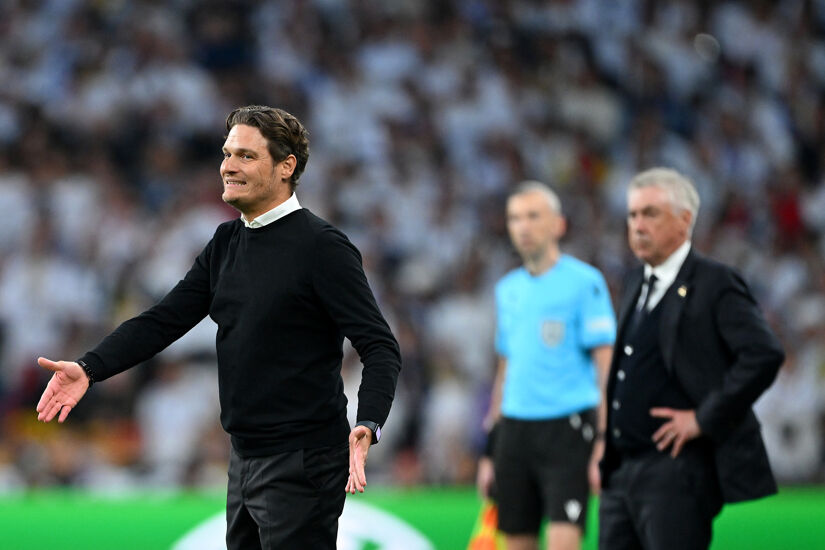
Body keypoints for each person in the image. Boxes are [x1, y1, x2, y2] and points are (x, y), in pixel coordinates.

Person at [35, 105, 401, 550]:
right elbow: (164, 319)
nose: (228, 165)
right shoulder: (226, 242)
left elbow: (379, 345)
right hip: (243, 458)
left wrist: (369, 422)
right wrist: (90, 368)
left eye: (246, 156)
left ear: (287, 167)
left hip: (304, 461)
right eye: (227, 154)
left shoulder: (322, 247)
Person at [598, 167, 784, 550]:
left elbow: (764, 354)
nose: (637, 225)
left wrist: (704, 417)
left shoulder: (715, 282)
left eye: (650, 214)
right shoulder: (635, 281)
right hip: (622, 471)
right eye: (632, 215)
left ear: (685, 220)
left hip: (676, 470)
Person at [477, 181, 616, 550]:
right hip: (515, 433)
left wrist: (604, 441)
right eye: (515, 218)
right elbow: (505, 372)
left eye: (533, 216)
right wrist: (491, 450)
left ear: (559, 224)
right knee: (517, 542)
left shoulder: (585, 283)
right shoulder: (508, 289)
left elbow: (608, 370)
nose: (523, 226)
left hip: (567, 431)